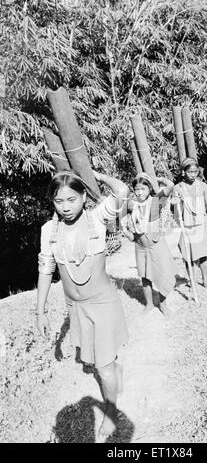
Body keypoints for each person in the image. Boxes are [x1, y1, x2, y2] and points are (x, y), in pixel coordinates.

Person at [36, 170, 129, 442]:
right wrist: (40, 311)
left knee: (102, 366)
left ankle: (111, 413)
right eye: (58, 201)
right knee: (98, 360)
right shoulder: (49, 230)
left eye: (72, 199)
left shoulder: (97, 219)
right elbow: (45, 269)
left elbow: (122, 190)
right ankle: (113, 370)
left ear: (84, 196)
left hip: (102, 303)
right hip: (76, 308)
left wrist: (95, 173)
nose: (65, 207)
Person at [121, 172, 176, 316]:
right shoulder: (131, 205)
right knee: (145, 277)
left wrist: (158, 179)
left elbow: (170, 185)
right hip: (140, 246)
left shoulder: (156, 200)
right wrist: (126, 231)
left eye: (143, 189)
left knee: (162, 275)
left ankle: (163, 305)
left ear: (149, 188)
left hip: (156, 245)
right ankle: (149, 304)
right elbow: (126, 225)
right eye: (136, 189)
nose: (139, 192)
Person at [172, 157, 207, 288]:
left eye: (196, 172)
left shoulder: (202, 186)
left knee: (203, 252)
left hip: (202, 223)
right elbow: (176, 212)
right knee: (187, 253)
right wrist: (176, 204)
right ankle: (191, 278)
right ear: (184, 172)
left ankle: (205, 279)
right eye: (190, 172)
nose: (193, 174)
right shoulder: (178, 188)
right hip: (187, 225)